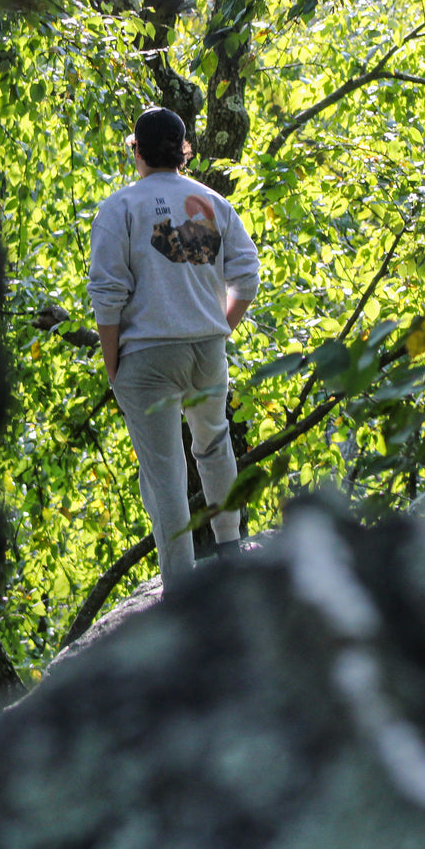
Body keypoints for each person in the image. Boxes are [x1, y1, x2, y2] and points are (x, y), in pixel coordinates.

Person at [88, 106, 260, 590]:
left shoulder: (120, 208)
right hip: (206, 349)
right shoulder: (211, 202)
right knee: (214, 444)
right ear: (184, 150)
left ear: (136, 151)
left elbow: (108, 292)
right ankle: (231, 547)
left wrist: (113, 367)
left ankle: (180, 588)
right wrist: (220, 328)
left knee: (164, 472)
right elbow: (247, 275)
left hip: (147, 357)